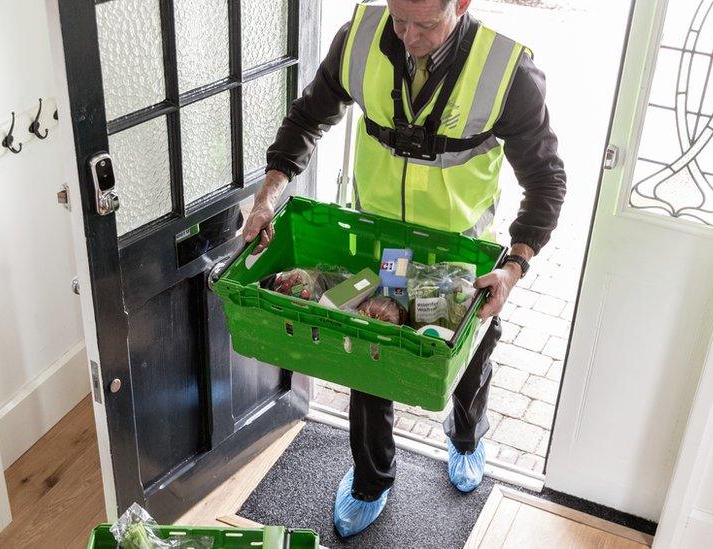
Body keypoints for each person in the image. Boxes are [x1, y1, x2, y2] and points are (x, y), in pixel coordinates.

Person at [242, 0, 566, 537]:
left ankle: (465, 436)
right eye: (399, 19)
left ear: (460, 5)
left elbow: (547, 180)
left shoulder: (507, 72)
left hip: (459, 258)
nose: (408, 36)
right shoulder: (359, 39)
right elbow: (305, 119)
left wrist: (512, 268)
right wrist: (267, 197)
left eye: (425, 24)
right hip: (379, 249)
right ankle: (372, 479)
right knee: (368, 360)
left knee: (467, 363)